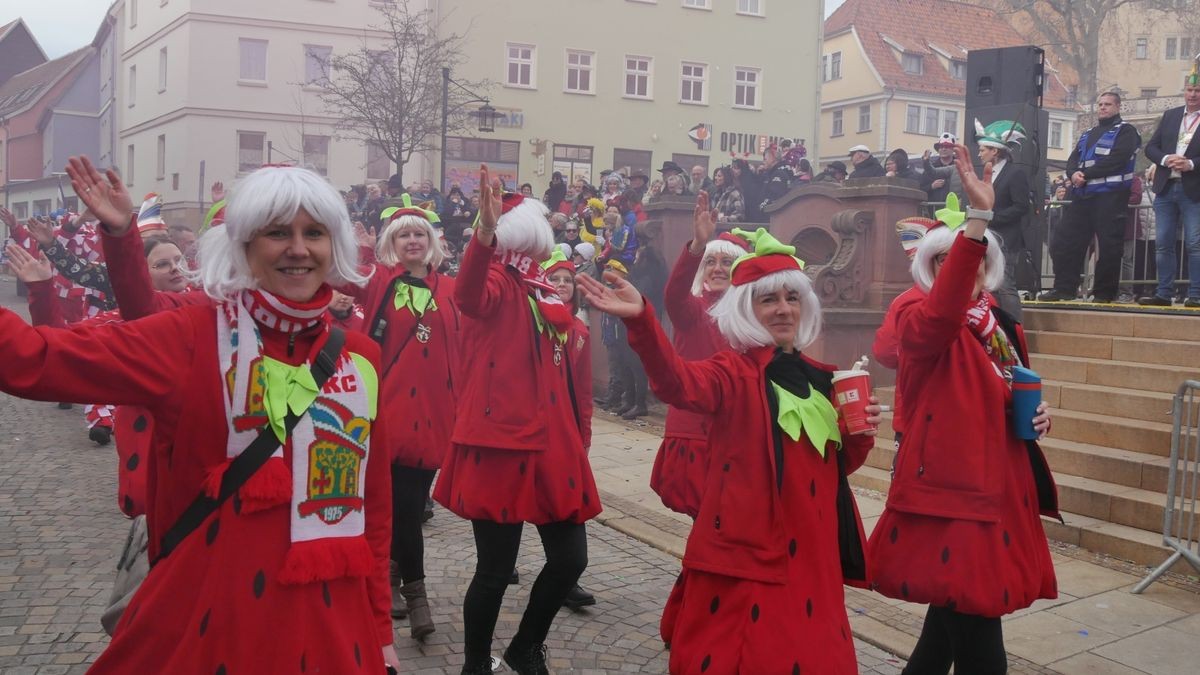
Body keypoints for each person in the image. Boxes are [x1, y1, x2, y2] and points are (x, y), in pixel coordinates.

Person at [0, 156, 400, 672]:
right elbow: (33, 359)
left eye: (315, 233)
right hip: (212, 623)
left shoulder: (360, 356)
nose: (299, 249)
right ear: (244, 246)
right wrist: (120, 241)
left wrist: (381, 629)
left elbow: (375, 507)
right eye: (278, 232)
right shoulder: (190, 337)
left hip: (330, 630)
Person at [577, 227, 882, 675]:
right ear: (748, 309)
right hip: (754, 556)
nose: (782, 309)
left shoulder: (823, 379)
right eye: (768, 299)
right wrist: (642, 320)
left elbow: (831, 469)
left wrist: (859, 434)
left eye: (791, 298)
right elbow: (677, 383)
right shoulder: (732, 372)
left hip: (814, 559)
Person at [867, 145, 1058, 675]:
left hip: (998, 482)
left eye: (967, 260)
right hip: (954, 491)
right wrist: (977, 220)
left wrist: (1037, 418)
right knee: (977, 624)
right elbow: (939, 313)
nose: (958, 269)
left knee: (949, 614)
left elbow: (1011, 387)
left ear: (988, 267)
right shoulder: (919, 317)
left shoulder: (999, 321)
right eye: (941, 261)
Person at [433, 167, 598, 675]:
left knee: (571, 560)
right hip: (503, 444)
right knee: (495, 570)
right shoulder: (498, 285)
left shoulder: (541, 290)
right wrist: (483, 236)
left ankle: (526, 646)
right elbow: (467, 295)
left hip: (552, 444)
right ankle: (476, 664)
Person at [355, 197, 462, 641]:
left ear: (433, 241)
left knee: (408, 505)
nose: (413, 240)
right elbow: (344, 277)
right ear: (391, 244)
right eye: (404, 234)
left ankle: (393, 574)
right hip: (390, 413)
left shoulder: (453, 290)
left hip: (436, 415)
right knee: (404, 506)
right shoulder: (380, 281)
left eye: (420, 234)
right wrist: (360, 253)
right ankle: (416, 594)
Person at [1040, 92, 1141, 303]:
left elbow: (1117, 160)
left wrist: (1085, 175)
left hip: (1110, 197)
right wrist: (1073, 173)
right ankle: (1064, 288)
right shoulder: (1087, 133)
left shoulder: (1126, 131)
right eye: (1100, 104)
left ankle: (1104, 293)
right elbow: (1072, 160)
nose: (1102, 108)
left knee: (1109, 246)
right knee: (1065, 241)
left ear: (1118, 107)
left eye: (1107, 104)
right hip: (1082, 196)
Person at [542, 250, 597, 610]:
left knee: (565, 506)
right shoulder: (535, 322)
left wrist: (585, 433)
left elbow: (584, 387)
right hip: (537, 427)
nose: (562, 286)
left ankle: (566, 577)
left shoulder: (579, 331)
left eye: (567, 281)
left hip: (567, 432)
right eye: (555, 279)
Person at [1140, 63, 1200, 307]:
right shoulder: (1171, 115)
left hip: (1193, 190)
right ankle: (1164, 293)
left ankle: (1195, 294)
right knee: (1163, 242)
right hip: (1166, 188)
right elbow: (1151, 147)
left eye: (1197, 90)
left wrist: (1191, 164)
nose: (1193, 94)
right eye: (1189, 89)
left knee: (1195, 243)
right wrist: (1165, 159)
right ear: (1183, 92)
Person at [971, 119, 1032, 319]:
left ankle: (1015, 333)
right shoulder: (988, 174)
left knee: (1006, 286)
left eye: (983, 149)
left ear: (995, 151)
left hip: (1007, 238)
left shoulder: (1015, 173)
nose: (979, 153)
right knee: (991, 286)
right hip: (989, 238)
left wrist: (990, 218)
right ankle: (997, 329)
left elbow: (1021, 206)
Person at [921, 133, 963, 204]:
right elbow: (921, 188)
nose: (943, 149)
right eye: (941, 147)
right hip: (932, 212)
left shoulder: (959, 168)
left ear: (953, 149)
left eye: (947, 146)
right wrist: (931, 186)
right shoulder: (931, 168)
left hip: (953, 211)